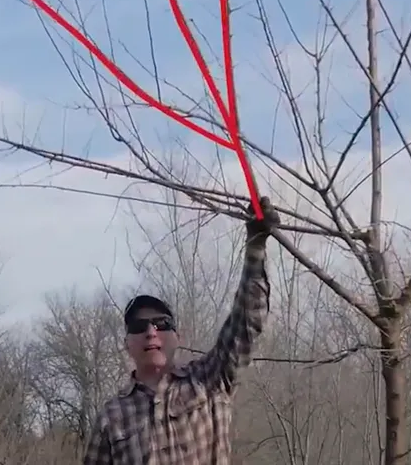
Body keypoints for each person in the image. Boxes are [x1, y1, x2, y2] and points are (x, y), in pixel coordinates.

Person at [83, 197, 279, 465]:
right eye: (139, 327)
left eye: (161, 324)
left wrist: (255, 246)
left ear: (178, 337)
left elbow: (245, 323)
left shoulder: (209, 379)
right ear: (127, 343)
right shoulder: (111, 417)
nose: (151, 332)